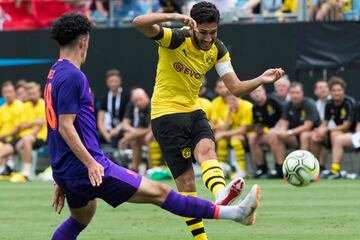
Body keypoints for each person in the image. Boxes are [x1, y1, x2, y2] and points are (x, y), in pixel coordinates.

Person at [48, 13, 261, 240]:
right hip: (89, 167)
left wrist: (61, 177)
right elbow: (65, 127)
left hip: (69, 168)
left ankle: (226, 202)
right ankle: (236, 213)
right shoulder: (74, 76)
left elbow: (53, 128)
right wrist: (89, 163)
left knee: (81, 218)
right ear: (84, 41)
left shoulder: (55, 72)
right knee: (160, 193)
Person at [133, 1, 284, 239]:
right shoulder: (175, 38)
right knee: (186, 185)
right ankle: (201, 238)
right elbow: (138, 23)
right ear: (192, 26)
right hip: (166, 114)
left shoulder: (218, 49)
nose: (208, 38)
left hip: (194, 110)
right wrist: (175, 16)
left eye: (213, 32)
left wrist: (261, 79)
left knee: (207, 149)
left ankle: (221, 195)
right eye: (203, 32)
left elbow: (235, 88)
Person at [0, 82, 47, 182]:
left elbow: (38, 127)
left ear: (39, 93)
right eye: (29, 93)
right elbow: (21, 126)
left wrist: (27, 134)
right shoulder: (26, 106)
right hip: (22, 137)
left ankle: (26, 173)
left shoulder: (43, 104)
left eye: (33, 93)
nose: (31, 95)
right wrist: (33, 122)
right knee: (4, 150)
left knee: (26, 140)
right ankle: (7, 169)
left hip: (40, 138)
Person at [310, 77, 355, 177]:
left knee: (335, 134)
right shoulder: (329, 104)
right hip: (336, 133)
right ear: (330, 92)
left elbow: (346, 126)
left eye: (339, 90)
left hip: (352, 134)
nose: (336, 93)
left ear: (343, 90)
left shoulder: (349, 103)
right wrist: (319, 131)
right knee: (315, 136)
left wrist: (327, 129)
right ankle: (315, 169)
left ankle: (335, 170)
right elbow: (325, 123)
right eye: (334, 90)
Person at [272, 82, 320, 178]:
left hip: (312, 135)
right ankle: (281, 170)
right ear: (289, 94)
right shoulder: (287, 105)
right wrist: (281, 132)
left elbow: (307, 126)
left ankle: (305, 169)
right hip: (294, 137)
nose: (295, 95)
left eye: (297, 92)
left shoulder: (309, 104)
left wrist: (289, 132)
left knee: (304, 135)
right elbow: (284, 124)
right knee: (276, 136)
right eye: (293, 93)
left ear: (302, 93)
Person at [120, 88, 162, 171]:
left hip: (160, 135)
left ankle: (153, 169)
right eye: (136, 101)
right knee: (135, 140)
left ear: (146, 97)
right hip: (146, 133)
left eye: (140, 99)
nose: (138, 103)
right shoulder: (136, 108)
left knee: (149, 138)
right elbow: (125, 124)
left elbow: (151, 128)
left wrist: (132, 135)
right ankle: (134, 169)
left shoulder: (152, 106)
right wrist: (133, 134)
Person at [214, 93, 253, 178]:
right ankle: (222, 167)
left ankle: (241, 170)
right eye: (229, 100)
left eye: (234, 99)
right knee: (222, 141)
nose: (231, 102)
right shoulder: (228, 109)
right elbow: (224, 128)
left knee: (235, 140)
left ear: (239, 98)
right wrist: (228, 113)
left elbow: (243, 130)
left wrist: (223, 134)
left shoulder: (247, 106)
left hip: (250, 134)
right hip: (235, 134)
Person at [248, 85, 283, 178]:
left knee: (272, 134)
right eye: (253, 92)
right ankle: (261, 168)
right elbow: (258, 125)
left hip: (283, 132)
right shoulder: (254, 108)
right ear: (251, 95)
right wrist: (257, 129)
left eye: (258, 91)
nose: (256, 94)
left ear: (264, 92)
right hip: (268, 133)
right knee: (252, 137)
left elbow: (284, 118)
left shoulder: (274, 101)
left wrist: (276, 129)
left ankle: (279, 168)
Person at [97, 69, 129, 149]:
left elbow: (128, 118)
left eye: (116, 81)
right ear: (107, 82)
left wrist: (117, 130)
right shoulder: (104, 98)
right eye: (111, 81)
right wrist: (106, 135)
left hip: (121, 129)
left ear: (120, 81)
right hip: (107, 130)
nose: (113, 84)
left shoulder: (127, 96)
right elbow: (100, 120)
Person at [0, 81, 24, 178]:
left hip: (15, 139)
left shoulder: (20, 106)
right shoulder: (2, 109)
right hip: (3, 139)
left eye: (10, 91)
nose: (8, 94)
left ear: (14, 93)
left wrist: (4, 136)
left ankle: (6, 168)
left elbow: (18, 128)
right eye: (5, 92)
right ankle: (8, 166)